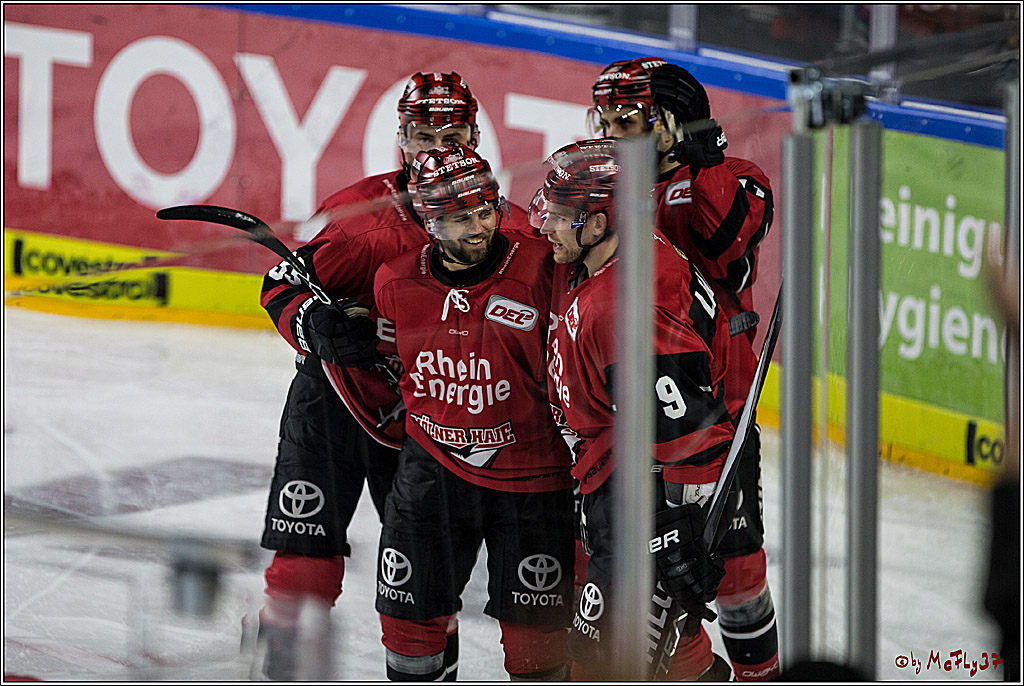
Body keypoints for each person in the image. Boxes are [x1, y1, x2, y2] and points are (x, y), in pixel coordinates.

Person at [253, 71, 487, 680]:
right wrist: (318, 329)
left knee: (427, 585)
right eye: (423, 133)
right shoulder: (361, 218)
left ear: (476, 135)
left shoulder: (497, 225)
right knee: (303, 564)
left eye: (453, 131)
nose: (437, 146)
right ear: (402, 138)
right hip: (332, 402)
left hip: (431, 419)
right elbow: (282, 289)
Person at [589, 57, 779, 680]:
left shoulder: (735, 180)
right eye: (605, 118)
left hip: (708, 418)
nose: (610, 132)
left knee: (737, 576)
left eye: (628, 119)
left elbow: (725, 247)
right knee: (648, 596)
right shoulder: (594, 190)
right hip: (619, 422)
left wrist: (704, 161)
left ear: (672, 125)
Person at [534, 138, 736, 681]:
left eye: (558, 216)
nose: (545, 227)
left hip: (638, 506)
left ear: (598, 224)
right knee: (678, 650)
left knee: (597, 665)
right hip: (621, 489)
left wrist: (676, 531)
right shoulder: (628, 255)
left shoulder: (623, 305)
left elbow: (689, 430)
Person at [372, 143, 575, 681]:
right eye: (461, 217)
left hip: (535, 481)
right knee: (409, 634)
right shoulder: (394, 282)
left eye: (486, 209)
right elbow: (391, 365)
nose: (479, 225)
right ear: (430, 221)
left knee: (539, 653)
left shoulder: (542, 268)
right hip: (431, 473)